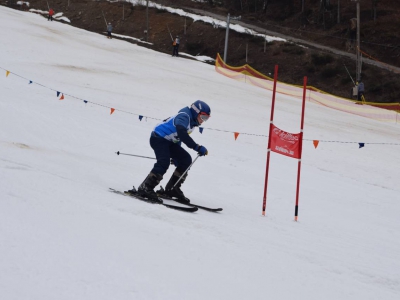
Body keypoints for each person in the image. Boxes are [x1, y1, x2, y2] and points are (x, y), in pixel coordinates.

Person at [127, 100, 211, 203]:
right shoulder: (184, 116)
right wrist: (196, 147)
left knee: (185, 160)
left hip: (169, 141)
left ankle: (172, 189)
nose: (203, 120)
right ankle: (146, 187)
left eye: (206, 118)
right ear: (195, 111)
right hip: (158, 138)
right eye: (203, 117)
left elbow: (177, 137)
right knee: (163, 162)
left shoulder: (193, 122)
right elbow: (181, 133)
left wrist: (176, 156)